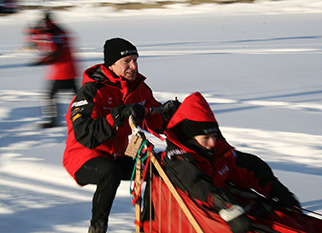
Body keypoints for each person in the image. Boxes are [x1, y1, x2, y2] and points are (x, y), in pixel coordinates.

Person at [63, 37, 179, 233]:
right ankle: (97, 228)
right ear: (111, 64)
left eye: (135, 60)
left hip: (116, 154)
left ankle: (150, 223)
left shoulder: (138, 89)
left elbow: (153, 117)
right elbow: (85, 134)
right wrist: (116, 116)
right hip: (84, 156)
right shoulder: (91, 91)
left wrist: (170, 114)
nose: (133, 66)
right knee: (110, 173)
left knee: (159, 168)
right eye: (127, 61)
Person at [162, 92, 301, 233]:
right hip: (194, 215)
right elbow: (198, 186)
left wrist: (273, 187)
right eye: (206, 137)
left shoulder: (216, 152)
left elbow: (247, 166)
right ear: (190, 138)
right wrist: (228, 208)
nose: (212, 142)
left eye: (214, 136)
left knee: (280, 216)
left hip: (225, 206)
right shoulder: (178, 160)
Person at [26, 11, 78, 128]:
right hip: (70, 70)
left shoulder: (55, 33)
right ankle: (88, 116)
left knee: (50, 96)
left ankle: (52, 121)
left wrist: (43, 61)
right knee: (78, 97)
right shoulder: (59, 31)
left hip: (62, 72)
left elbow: (56, 53)